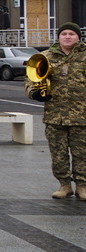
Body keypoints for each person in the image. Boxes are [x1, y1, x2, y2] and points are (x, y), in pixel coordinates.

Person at [24, 22, 86, 199]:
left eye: (71, 34)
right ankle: (64, 185)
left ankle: (82, 185)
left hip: (82, 116)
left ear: (78, 37)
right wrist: (35, 93)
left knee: (82, 153)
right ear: (58, 37)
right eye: (64, 33)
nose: (67, 37)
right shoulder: (45, 56)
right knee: (58, 153)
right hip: (54, 115)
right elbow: (30, 80)